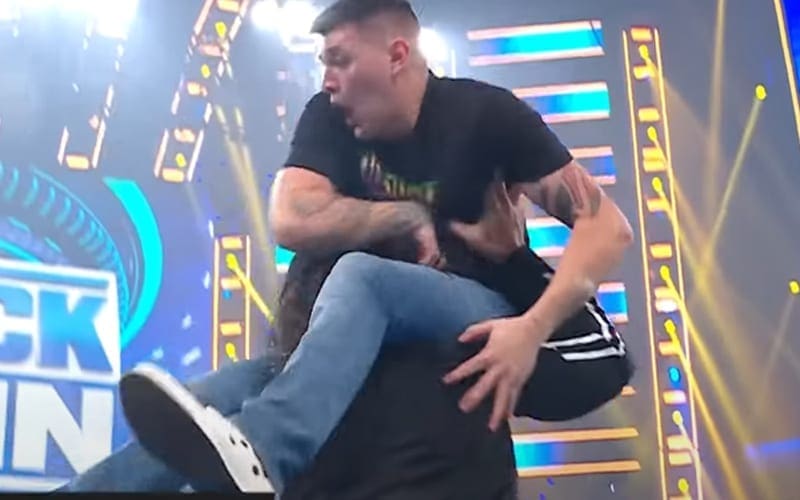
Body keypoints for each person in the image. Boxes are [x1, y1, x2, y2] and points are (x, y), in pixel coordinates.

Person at [115, 0, 634, 495]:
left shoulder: (483, 115)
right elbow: (291, 217)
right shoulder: (330, 118)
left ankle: (267, 451)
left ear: (396, 55)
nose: (327, 80)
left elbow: (607, 227)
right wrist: (405, 216)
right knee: (205, 408)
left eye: (340, 60)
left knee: (365, 277)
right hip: (347, 353)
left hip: (455, 312)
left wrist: (531, 328)